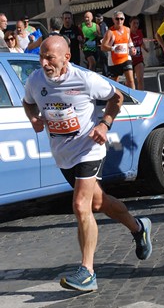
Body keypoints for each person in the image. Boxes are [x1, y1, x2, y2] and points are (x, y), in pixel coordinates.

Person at [22, 36, 152, 292]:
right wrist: (34, 119)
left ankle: (87, 272)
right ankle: (139, 227)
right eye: (41, 57)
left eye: (50, 57)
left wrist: (105, 124)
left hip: (89, 149)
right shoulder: (35, 80)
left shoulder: (85, 80)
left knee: (81, 205)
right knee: (98, 202)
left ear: (66, 58)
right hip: (63, 154)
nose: (44, 62)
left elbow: (116, 98)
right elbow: (28, 103)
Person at [101, 11, 135, 88]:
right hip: (114, 61)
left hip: (126, 58)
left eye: (121, 19)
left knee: (131, 80)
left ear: (124, 20)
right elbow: (103, 47)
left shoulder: (127, 30)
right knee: (114, 84)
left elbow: (129, 41)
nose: (119, 21)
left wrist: (132, 48)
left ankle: (134, 99)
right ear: (113, 20)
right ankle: (115, 98)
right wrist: (114, 48)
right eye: (117, 19)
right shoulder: (110, 32)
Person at [129, 16, 149, 90]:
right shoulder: (127, 34)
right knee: (130, 81)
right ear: (130, 24)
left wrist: (145, 48)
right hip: (129, 60)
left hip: (138, 59)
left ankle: (141, 97)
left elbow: (141, 42)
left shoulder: (139, 32)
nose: (136, 25)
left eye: (137, 23)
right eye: (134, 23)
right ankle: (133, 97)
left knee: (140, 79)